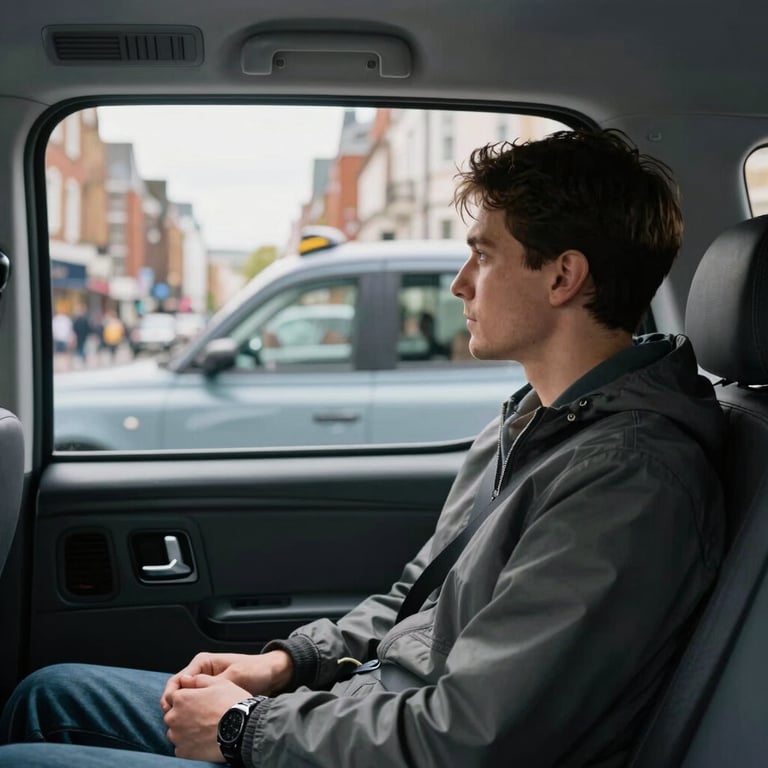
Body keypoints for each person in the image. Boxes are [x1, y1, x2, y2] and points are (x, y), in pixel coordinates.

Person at [0, 129, 725, 768]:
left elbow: (467, 737)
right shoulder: (536, 421)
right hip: (374, 715)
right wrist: (286, 664)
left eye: (483, 256)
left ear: (563, 276)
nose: (459, 284)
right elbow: (417, 602)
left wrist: (242, 729)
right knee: (51, 692)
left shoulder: (629, 477)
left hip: (407, 743)